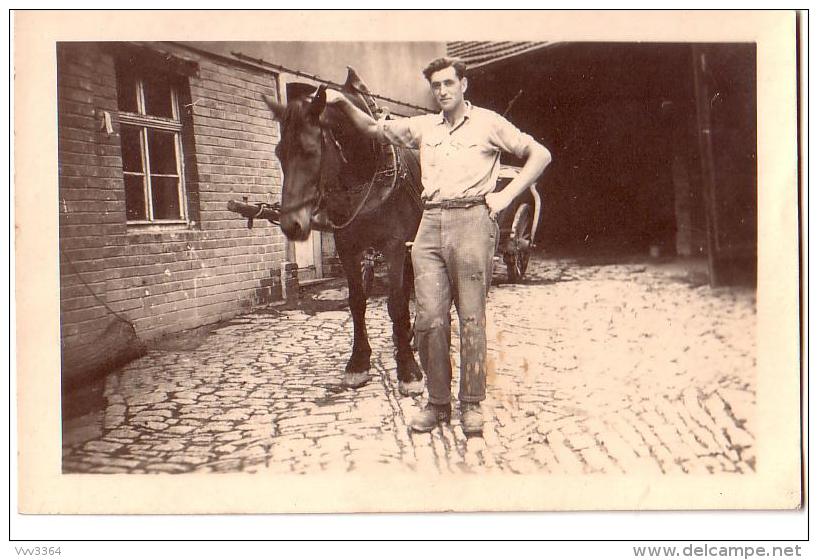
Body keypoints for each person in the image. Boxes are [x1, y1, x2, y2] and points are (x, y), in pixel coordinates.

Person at [328, 57, 551, 435]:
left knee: (471, 318)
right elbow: (371, 128)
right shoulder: (423, 127)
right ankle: (437, 403)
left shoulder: (489, 123)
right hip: (430, 223)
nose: (443, 91)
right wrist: (340, 102)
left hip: (472, 222)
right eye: (437, 86)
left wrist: (505, 195)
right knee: (430, 320)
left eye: (449, 83)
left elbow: (540, 154)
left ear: (464, 84)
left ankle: (472, 405)